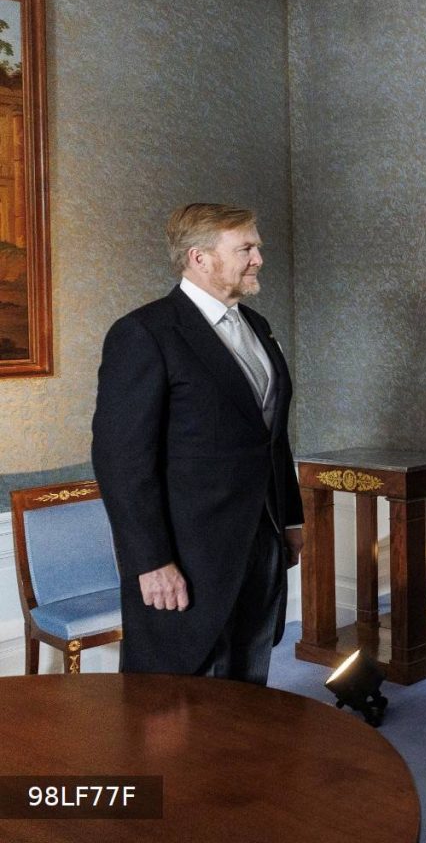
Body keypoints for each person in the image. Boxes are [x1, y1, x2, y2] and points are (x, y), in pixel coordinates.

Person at [91, 204, 304, 685]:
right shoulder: (144, 333)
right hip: (186, 556)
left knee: (247, 683)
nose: (258, 259)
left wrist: (289, 518)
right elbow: (121, 461)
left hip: (261, 540)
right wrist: (151, 561)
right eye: (246, 248)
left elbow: (271, 437)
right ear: (199, 258)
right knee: (177, 700)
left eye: (257, 247)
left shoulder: (257, 327)